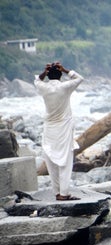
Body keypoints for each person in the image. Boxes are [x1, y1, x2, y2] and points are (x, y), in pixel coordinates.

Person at [34, 62, 84, 201]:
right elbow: (79, 78)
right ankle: (64, 193)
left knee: (51, 161)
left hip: (49, 128)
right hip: (63, 128)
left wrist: (45, 71)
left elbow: (37, 80)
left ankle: (57, 192)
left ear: (49, 76)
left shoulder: (44, 87)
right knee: (65, 161)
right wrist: (66, 70)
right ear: (60, 75)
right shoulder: (64, 87)